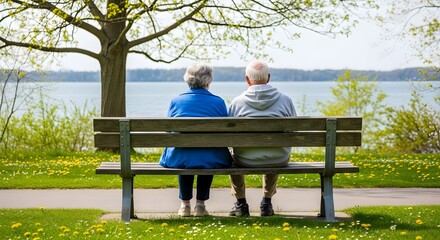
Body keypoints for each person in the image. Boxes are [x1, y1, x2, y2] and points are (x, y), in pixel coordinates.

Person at [159, 62, 232, 217]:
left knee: (185, 153)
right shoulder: (218, 102)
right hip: (211, 157)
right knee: (207, 154)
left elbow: (168, 131)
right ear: (209, 80)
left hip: (180, 157)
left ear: (187, 79)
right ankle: (200, 205)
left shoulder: (176, 101)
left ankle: (185, 205)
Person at [228, 60, 297, 217]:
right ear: (268, 77)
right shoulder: (285, 100)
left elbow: (230, 136)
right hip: (278, 158)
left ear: (247, 79)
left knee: (230, 157)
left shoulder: (237, 102)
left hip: (245, 159)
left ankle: (240, 203)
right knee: (275, 150)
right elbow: (294, 131)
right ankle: (266, 202)